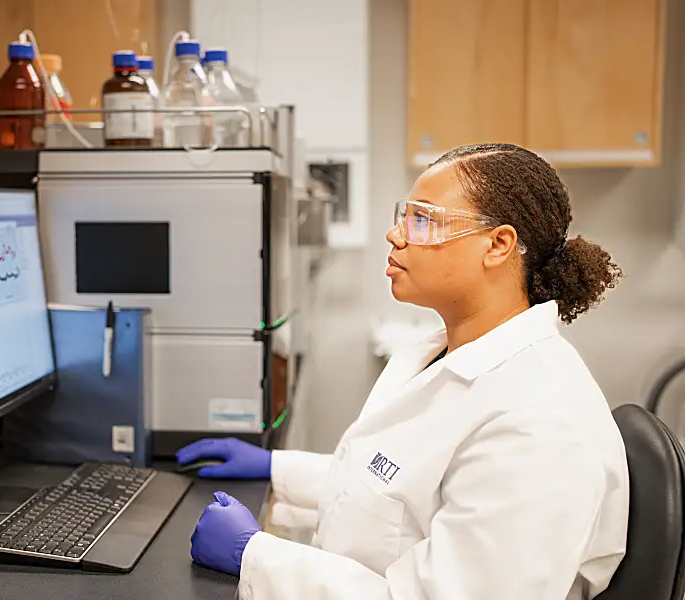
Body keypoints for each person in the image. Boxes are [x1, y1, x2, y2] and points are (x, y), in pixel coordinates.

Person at [177, 143, 629, 600]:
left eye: (423, 220)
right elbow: (392, 494)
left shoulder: (540, 426)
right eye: (403, 216)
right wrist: (276, 470)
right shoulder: (440, 354)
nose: (395, 236)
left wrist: (254, 556)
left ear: (497, 245)